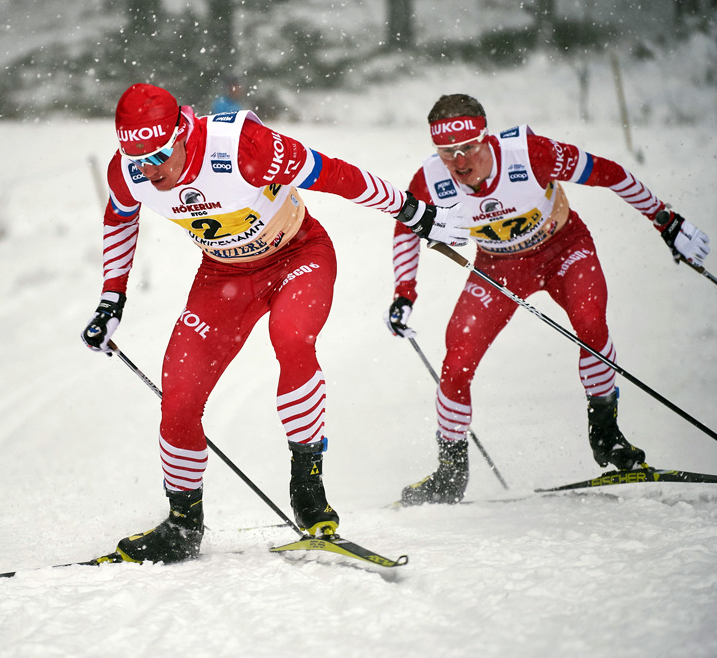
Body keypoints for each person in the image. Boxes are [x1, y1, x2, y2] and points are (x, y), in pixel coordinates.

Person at [81, 82, 470, 563]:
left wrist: (415, 213)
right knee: (178, 395)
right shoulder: (130, 170)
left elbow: (338, 176)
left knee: (291, 339)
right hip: (223, 276)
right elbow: (120, 217)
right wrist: (110, 299)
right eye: (137, 159)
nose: (150, 170)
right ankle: (183, 526)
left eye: (159, 155)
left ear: (183, 132)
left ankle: (308, 487)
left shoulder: (242, 148)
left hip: (298, 256)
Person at [386, 93, 711, 505]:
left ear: (486, 138)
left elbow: (610, 173)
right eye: (447, 152)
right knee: (456, 359)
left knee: (591, 325)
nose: (459, 162)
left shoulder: (531, 154)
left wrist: (665, 220)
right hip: (498, 267)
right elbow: (406, 228)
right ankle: (451, 473)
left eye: (468, 148)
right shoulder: (430, 178)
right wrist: (403, 292)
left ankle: (606, 435)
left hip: (564, 250)